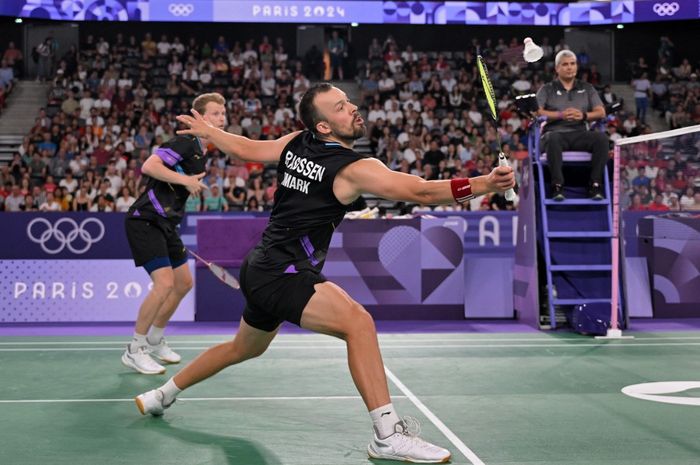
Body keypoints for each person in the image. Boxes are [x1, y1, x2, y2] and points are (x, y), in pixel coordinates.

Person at [134, 83, 513, 463]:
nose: (352, 108)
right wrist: (485, 184)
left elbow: (247, 148)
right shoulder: (353, 168)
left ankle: (160, 395)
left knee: (243, 348)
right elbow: (422, 193)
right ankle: (387, 435)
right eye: (340, 107)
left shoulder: (297, 142)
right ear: (324, 127)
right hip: (283, 272)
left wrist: (212, 132)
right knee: (358, 323)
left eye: (348, 102)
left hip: (261, 264)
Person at [121, 92, 226, 375]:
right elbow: (150, 166)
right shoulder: (185, 141)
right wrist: (185, 180)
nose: (221, 118)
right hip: (145, 219)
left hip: (165, 223)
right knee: (165, 283)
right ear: (200, 117)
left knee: (183, 283)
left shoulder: (202, 150)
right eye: (215, 113)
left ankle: (155, 338)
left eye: (223, 113)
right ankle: (135, 349)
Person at [536, 50, 608, 201]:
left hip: (579, 133)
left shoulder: (587, 88)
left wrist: (584, 116)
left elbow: (601, 112)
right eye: (565, 64)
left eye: (572, 64)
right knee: (553, 138)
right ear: (557, 68)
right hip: (554, 133)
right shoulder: (547, 89)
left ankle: (595, 185)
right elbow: (536, 111)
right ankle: (557, 187)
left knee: (601, 139)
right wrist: (559, 115)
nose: (570, 67)